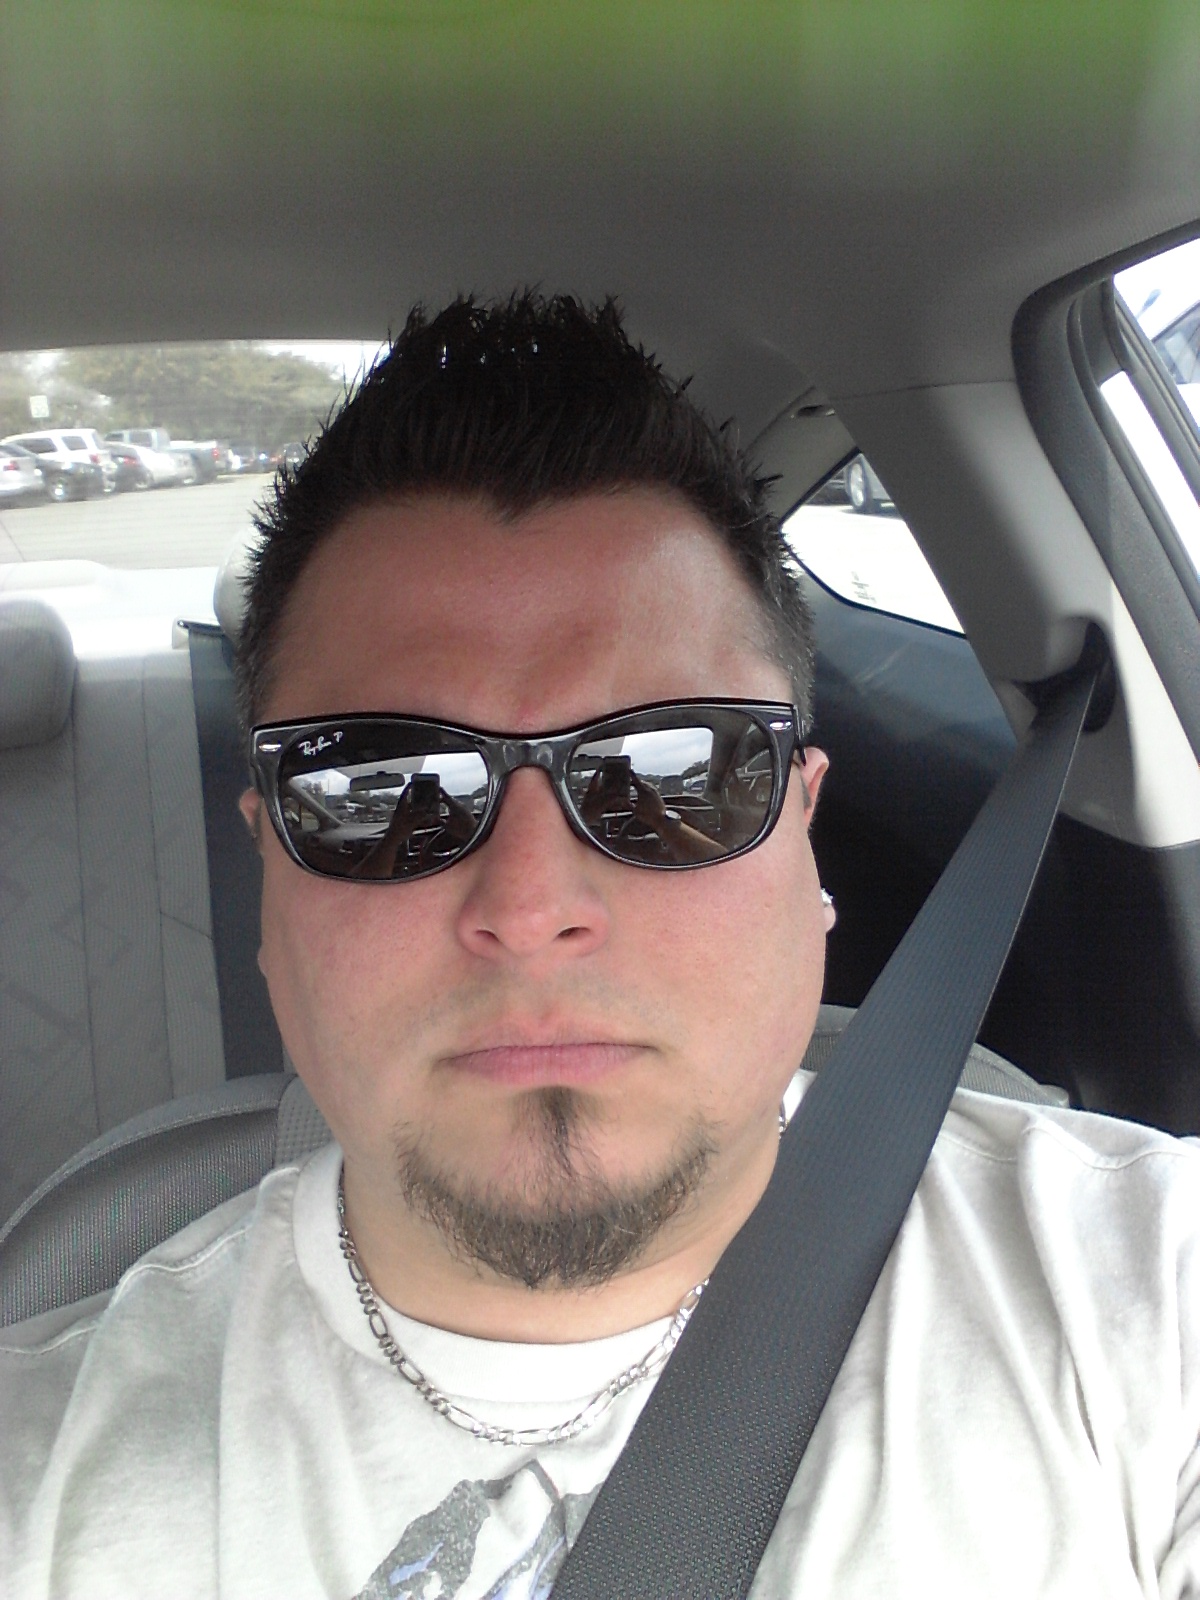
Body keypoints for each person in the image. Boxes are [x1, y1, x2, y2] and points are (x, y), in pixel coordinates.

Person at [2, 292, 1199, 1600]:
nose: (530, 907)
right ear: (269, 874)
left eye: (672, 771)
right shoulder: (46, 1474)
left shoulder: (1148, 1289)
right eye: (381, 790)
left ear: (803, 833)